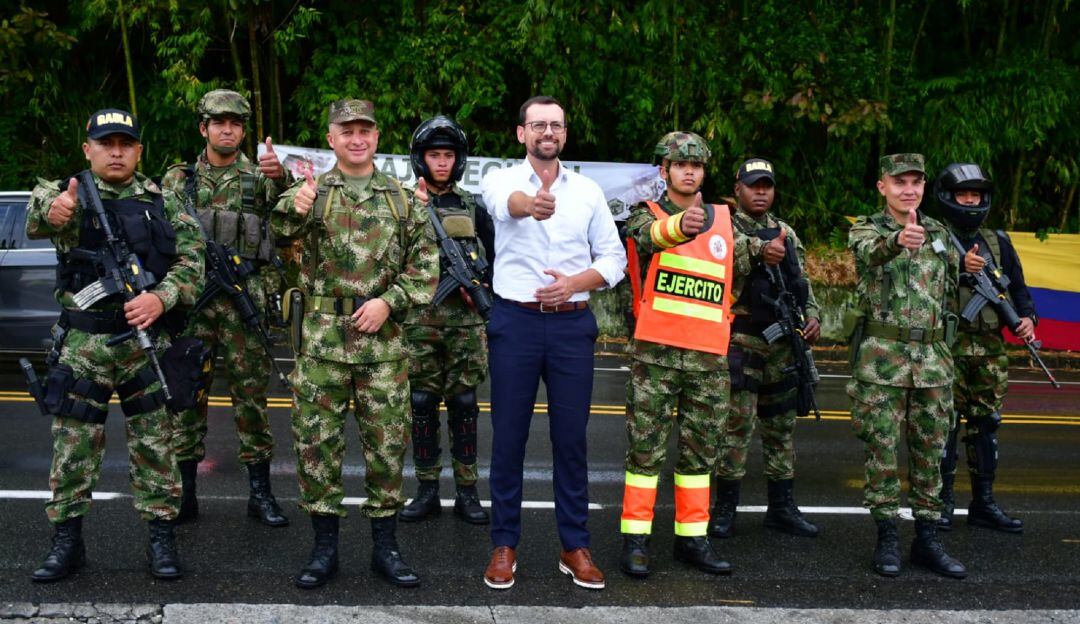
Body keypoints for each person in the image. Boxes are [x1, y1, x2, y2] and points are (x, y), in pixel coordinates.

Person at [25, 109, 204, 581]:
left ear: (139, 150)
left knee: (156, 447)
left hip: (146, 342)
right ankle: (67, 542)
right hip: (84, 343)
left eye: (126, 143)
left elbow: (192, 265)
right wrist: (54, 211)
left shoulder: (165, 202)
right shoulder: (69, 193)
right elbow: (40, 213)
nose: (117, 151)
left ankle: (162, 539)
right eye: (107, 143)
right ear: (89, 149)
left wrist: (161, 298)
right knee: (74, 447)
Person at [272, 99, 438, 589]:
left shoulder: (403, 199)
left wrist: (389, 301)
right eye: (347, 131)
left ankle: (385, 548)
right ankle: (324, 549)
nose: (356, 138)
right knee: (316, 448)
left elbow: (425, 267)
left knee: (387, 449)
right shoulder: (311, 193)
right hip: (321, 345)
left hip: (382, 348)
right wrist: (293, 209)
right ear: (331, 138)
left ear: (377, 136)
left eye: (365, 129)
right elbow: (278, 238)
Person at [479, 95, 626, 590]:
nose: (547, 132)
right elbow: (506, 204)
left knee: (571, 441)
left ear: (564, 134)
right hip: (514, 323)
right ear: (521, 133)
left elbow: (613, 260)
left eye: (556, 125)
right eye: (538, 124)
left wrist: (574, 283)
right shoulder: (501, 179)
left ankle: (574, 546)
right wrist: (532, 206)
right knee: (509, 439)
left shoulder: (587, 192)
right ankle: (504, 546)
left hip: (570, 325)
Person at [160, 89, 292, 527]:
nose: (227, 129)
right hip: (192, 306)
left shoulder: (262, 179)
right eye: (219, 122)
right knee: (186, 398)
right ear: (204, 128)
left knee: (252, 401)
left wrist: (285, 178)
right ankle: (185, 494)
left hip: (243, 307)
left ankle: (260, 494)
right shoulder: (179, 181)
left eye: (235, 123)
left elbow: (292, 227)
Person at [618, 132, 735, 578]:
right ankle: (636, 541)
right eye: (680, 164)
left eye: (697, 165)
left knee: (700, 457)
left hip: (709, 360)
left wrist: (768, 249)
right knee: (645, 455)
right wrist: (677, 226)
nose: (689, 171)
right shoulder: (642, 216)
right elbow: (646, 239)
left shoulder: (725, 219)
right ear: (663, 171)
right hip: (656, 359)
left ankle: (693, 540)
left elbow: (738, 267)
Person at [846, 153, 966, 579]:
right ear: (883, 186)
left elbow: (949, 291)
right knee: (881, 454)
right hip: (883, 362)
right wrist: (897, 241)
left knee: (931, 454)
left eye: (915, 182)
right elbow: (868, 256)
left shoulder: (940, 232)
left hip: (933, 362)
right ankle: (887, 540)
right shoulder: (867, 228)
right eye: (899, 182)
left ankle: (927, 540)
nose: (908, 189)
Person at [710, 158, 820, 539]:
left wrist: (812, 317)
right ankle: (725, 508)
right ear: (737, 188)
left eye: (767, 186)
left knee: (781, 427)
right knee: (736, 427)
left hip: (782, 345)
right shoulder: (722, 224)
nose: (761, 192)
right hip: (740, 339)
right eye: (754, 185)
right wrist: (757, 250)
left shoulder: (785, 231)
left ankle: (782, 506)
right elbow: (717, 261)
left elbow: (802, 280)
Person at [399, 115, 494, 526]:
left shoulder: (474, 206)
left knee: (464, 404)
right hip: (419, 322)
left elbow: (495, 256)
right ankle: (426, 490)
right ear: (421, 160)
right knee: (420, 404)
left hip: (465, 325)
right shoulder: (404, 204)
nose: (441, 162)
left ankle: (468, 491)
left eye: (448, 155)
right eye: (434, 155)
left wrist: (479, 286)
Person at [934, 163, 1034, 534]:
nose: (971, 201)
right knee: (944, 426)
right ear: (948, 197)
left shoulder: (998, 242)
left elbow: (1019, 289)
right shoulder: (935, 239)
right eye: (964, 194)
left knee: (986, 426)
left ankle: (984, 503)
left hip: (990, 350)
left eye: (976, 195)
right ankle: (941, 503)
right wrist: (957, 266)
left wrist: (1028, 319)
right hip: (948, 346)